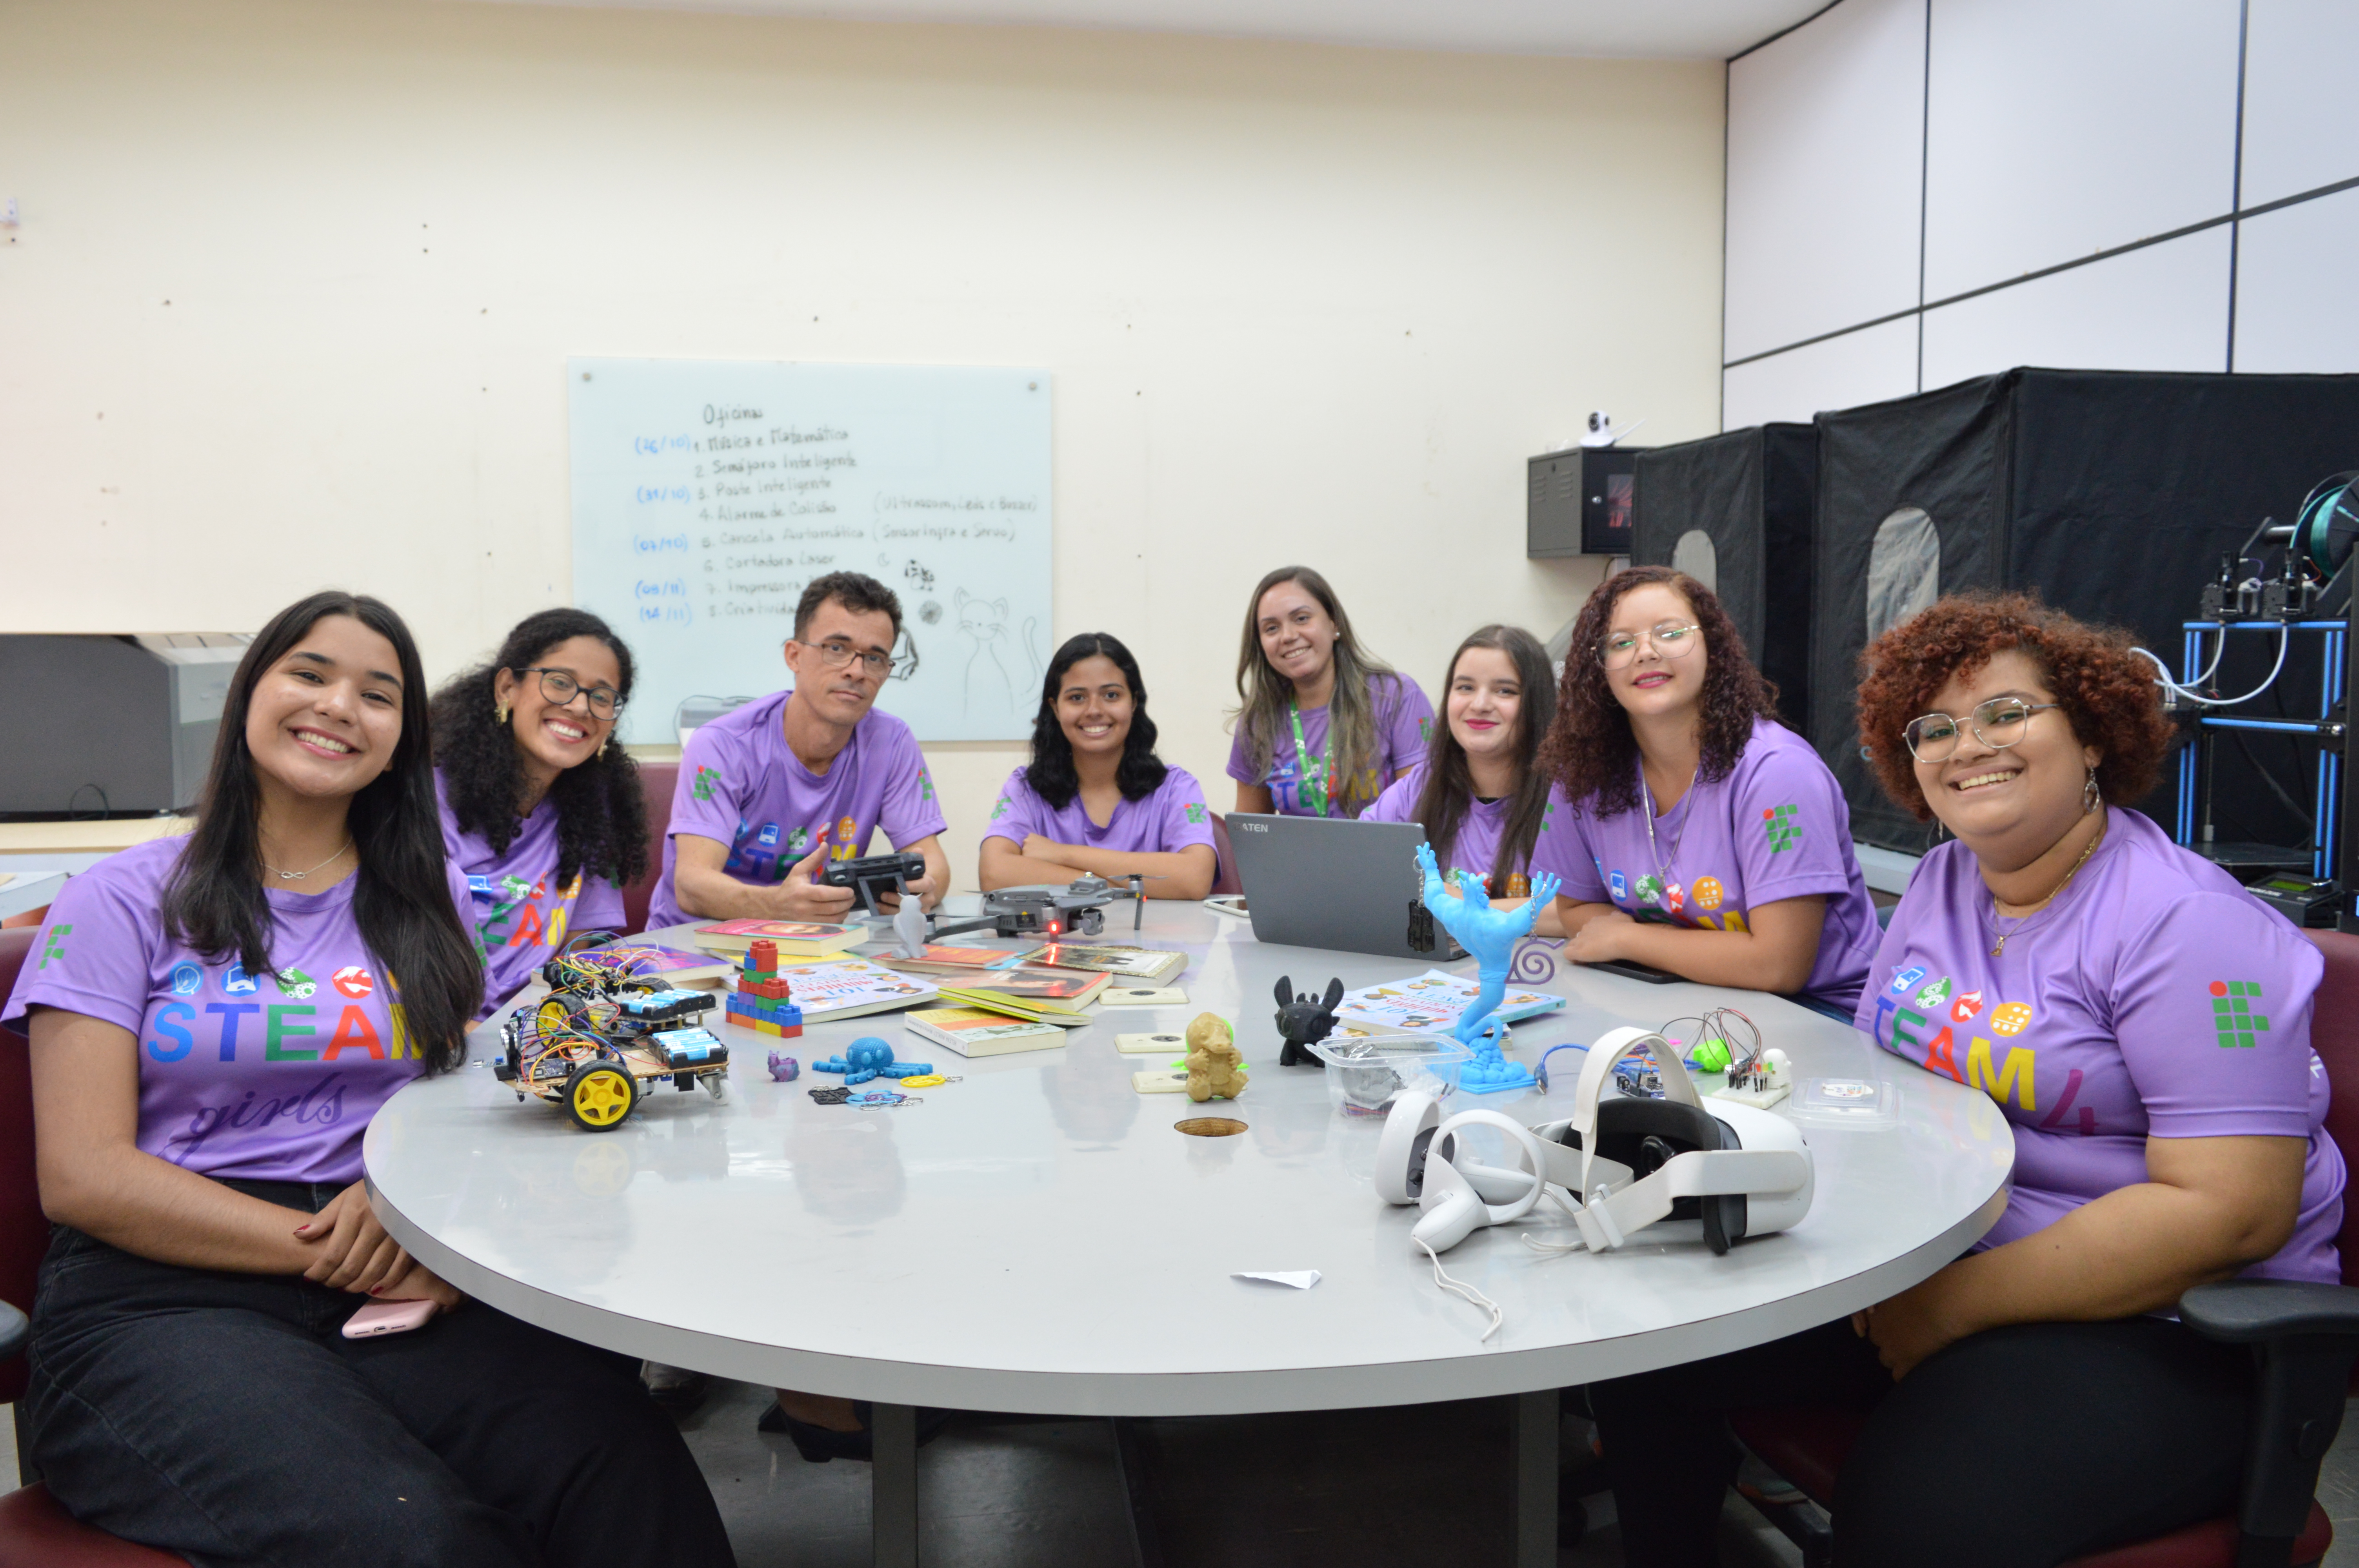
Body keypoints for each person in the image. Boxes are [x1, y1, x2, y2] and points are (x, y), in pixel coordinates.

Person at [1586, 592, 2344, 1568]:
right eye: (1934, 727)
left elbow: (2232, 1212)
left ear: (2094, 736)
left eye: (2007, 712)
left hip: (2164, 1319)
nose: (1966, 744)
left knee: (1919, 1513)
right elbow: (1883, 1084)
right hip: (1940, 1255)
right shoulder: (1944, 884)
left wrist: (1950, 1307)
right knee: (1653, 1342)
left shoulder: (2190, 928)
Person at [5, 592, 734, 1568]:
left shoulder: (422, 905)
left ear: (403, 741)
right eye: (311, 673)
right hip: (167, 1293)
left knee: (626, 1475)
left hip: (393, 1249)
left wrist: (424, 1221)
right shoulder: (122, 898)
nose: (342, 705)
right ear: (248, 695)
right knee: (409, 1536)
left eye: (379, 693)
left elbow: (472, 1084)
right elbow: (85, 1175)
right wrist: (346, 1246)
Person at [1536, 565, 1878, 1016]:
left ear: (1712, 647)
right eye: (1620, 643)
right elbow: (1577, 907)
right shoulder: (1582, 778)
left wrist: (1629, 937)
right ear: (1597, 671)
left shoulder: (1777, 774)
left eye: (1670, 633)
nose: (1645, 652)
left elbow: (1779, 965)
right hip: (1672, 996)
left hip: (1818, 1014)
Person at [649, 570, 949, 930]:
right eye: (837, 649)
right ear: (794, 656)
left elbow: (931, 860)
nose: (857, 671)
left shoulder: (892, 741)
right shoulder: (723, 744)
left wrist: (922, 892)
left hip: (817, 948)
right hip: (697, 947)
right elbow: (692, 887)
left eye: (875, 658)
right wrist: (776, 906)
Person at [431, 607, 649, 1016]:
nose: (581, 707)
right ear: (506, 689)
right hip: (438, 1034)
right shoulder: (426, 799)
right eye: (560, 683)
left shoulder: (594, 814)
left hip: (541, 1035)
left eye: (602, 696)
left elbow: (584, 952)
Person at [1365, 624, 1573, 937]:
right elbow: (1356, 869)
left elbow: (1573, 915)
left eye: (1505, 691)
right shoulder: (1421, 785)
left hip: (1540, 976)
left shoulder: (1568, 796)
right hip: (1437, 977)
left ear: (1537, 705)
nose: (1480, 704)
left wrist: (1452, 901)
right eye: (1465, 688)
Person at [979, 632, 1218, 900]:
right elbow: (994, 874)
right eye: (1077, 698)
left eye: (1112, 695)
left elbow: (1195, 878)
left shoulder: (1176, 787)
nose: (1094, 710)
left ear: (1134, 703)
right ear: (1055, 708)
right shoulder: (1025, 788)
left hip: (1154, 943)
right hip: (1054, 942)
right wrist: (1126, 889)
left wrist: (1062, 854)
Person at [1227, 565, 1433, 819]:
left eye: (1302, 618)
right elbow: (1251, 838)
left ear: (1334, 622)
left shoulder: (1397, 697)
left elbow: (1420, 816)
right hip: (1297, 860)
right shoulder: (1258, 723)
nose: (1288, 636)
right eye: (1271, 628)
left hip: (1386, 858)